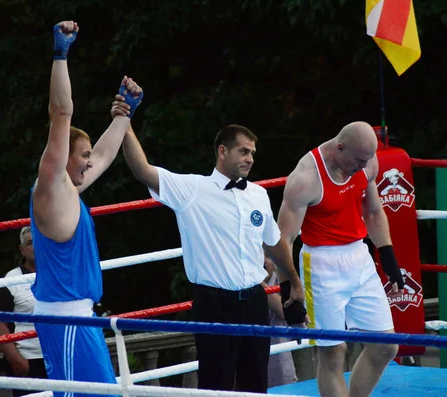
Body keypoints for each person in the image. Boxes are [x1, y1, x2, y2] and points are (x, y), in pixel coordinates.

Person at [112, 99, 306, 392]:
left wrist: (293, 280)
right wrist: (123, 122)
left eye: (252, 153)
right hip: (214, 304)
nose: (250, 158)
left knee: (256, 385)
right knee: (216, 386)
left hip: (254, 301)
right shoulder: (193, 190)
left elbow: (274, 242)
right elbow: (143, 170)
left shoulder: (258, 195)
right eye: (243, 151)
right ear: (222, 151)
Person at [29, 21, 142, 397]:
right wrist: (60, 55)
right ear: (63, 157)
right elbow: (61, 114)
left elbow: (107, 156)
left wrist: (125, 114)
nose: (88, 163)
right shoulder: (51, 187)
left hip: (79, 317)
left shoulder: (71, 189)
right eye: (83, 156)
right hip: (64, 321)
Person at [277, 121, 405, 397]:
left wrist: (388, 255)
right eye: (359, 159)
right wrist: (289, 289)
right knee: (334, 353)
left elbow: (372, 212)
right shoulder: (306, 178)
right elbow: (283, 239)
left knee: (386, 345)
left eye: (368, 158)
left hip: (359, 256)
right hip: (321, 264)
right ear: (340, 147)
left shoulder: (368, 164)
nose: (364, 165)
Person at [0, 226, 46, 396]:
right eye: (30, 243)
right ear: (22, 250)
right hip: (29, 359)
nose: (36, 246)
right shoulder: (11, 279)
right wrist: (16, 359)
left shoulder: (58, 272)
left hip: (59, 354)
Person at [262, 255, 298, 388]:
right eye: (259, 254)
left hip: (279, 353)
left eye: (267, 256)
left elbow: (283, 310)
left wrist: (258, 282)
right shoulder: (240, 282)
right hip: (249, 354)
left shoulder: (283, 280)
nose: (263, 261)